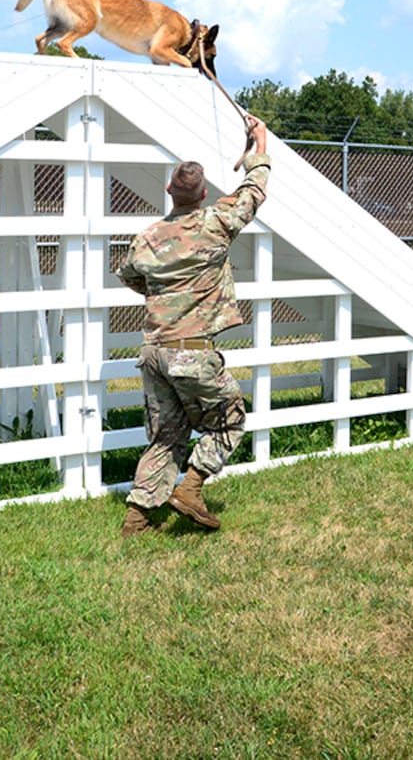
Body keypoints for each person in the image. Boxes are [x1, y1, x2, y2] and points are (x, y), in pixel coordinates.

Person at [116, 116, 271, 535]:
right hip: (192, 352)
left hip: (154, 351)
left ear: (169, 190)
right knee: (230, 419)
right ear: (203, 194)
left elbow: (130, 277)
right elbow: (253, 192)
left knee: (167, 435)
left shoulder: (148, 236)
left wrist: (166, 296)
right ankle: (192, 487)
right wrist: (259, 145)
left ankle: (137, 519)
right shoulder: (215, 224)